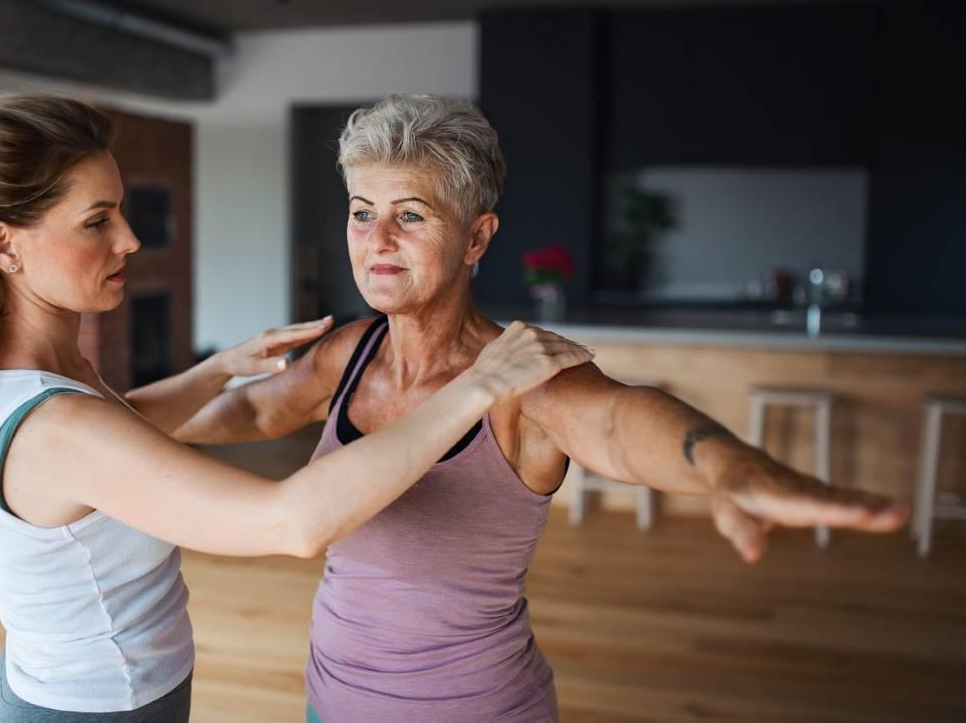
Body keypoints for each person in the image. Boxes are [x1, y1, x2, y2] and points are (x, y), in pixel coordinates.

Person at [175, 94, 910, 723]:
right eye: (362, 213)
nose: (378, 241)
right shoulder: (352, 351)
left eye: (411, 215)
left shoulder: (518, 376)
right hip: (329, 698)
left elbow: (621, 424)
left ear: (477, 237)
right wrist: (113, 426)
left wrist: (727, 468)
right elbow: (257, 413)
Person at [0, 77, 593, 722]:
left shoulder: (39, 378)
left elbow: (115, 437)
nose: (130, 239)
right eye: (97, 221)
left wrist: (217, 369)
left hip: (76, 690)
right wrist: (478, 384)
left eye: (121, 211)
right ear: (5, 247)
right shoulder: (59, 421)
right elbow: (292, 522)